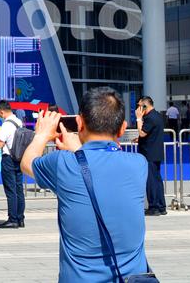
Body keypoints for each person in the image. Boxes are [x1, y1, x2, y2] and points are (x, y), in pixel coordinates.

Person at [20, 87, 149, 283]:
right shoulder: (139, 164)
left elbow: (27, 163)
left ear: (80, 122)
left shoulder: (63, 163)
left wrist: (42, 135)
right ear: (122, 128)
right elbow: (104, 165)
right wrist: (79, 151)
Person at [0, 100, 25, 228]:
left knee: (11, 190)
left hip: (8, 159)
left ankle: (12, 219)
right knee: (19, 189)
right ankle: (20, 218)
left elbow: (0, 144)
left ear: (1, 112)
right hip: (19, 157)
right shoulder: (18, 122)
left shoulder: (6, 125)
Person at [136, 96, 166, 216]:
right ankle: (161, 206)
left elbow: (142, 133)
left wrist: (139, 119)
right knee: (157, 180)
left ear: (145, 106)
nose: (138, 109)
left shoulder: (150, 118)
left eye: (139, 106)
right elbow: (151, 134)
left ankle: (154, 207)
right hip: (155, 152)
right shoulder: (157, 115)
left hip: (149, 153)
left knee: (151, 181)